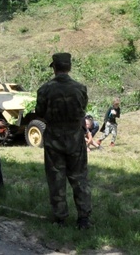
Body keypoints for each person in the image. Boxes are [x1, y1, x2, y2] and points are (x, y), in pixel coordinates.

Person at [35, 53, 92, 229]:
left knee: (56, 179)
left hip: (54, 140)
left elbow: (39, 112)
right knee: (79, 178)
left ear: (54, 67)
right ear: (69, 67)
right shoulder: (80, 88)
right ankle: (83, 219)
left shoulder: (45, 89)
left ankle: (60, 218)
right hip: (75, 139)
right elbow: (83, 109)